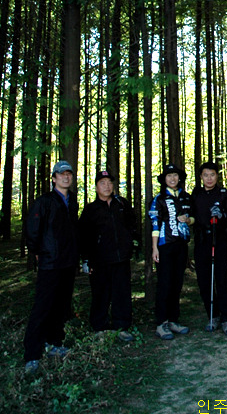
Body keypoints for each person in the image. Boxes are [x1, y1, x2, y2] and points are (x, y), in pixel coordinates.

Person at [23, 160, 79, 373]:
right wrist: (38, 253)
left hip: (67, 263)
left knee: (61, 306)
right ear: (54, 178)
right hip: (50, 263)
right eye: (61, 174)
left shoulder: (71, 201)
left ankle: (54, 342)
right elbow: (33, 230)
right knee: (42, 307)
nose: (66, 177)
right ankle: (32, 354)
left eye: (69, 174)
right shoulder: (45, 201)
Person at [79, 169, 137, 342]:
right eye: (102, 183)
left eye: (109, 183)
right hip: (100, 260)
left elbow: (132, 226)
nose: (107, 186)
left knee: (122, 293)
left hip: (121, 258)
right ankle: (100, 327)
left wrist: (132, 244)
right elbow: (84, 236)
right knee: (100, 294)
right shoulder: (90, 210)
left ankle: (122, 326)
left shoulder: (122, 204)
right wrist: (86, 259)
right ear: (96, 187)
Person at [191, 161, 227, 335]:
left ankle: (226, 318)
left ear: (217, 176)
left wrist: (222, 215)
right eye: (205, 175)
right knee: (204, 279)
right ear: (201, 177)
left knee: (222, 279)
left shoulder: (224, 194)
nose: (209, 178)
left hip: (220, 241)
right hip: (202, 241)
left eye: (212, 175)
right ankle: (213, 315)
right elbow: (191, 214)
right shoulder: (196, 194)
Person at [148, 163, 192, 340]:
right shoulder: (159, 199)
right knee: (164, 283)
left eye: (175, 175)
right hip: (164, 246)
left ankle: (173, 320)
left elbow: (193, 217)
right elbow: (155, 224)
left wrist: (189, 220)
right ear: (164, 179)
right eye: (169, 176)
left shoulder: (186, 197)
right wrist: (154, 247)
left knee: (177, 282)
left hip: (181, 245)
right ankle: (161, 323)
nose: (172, 179)